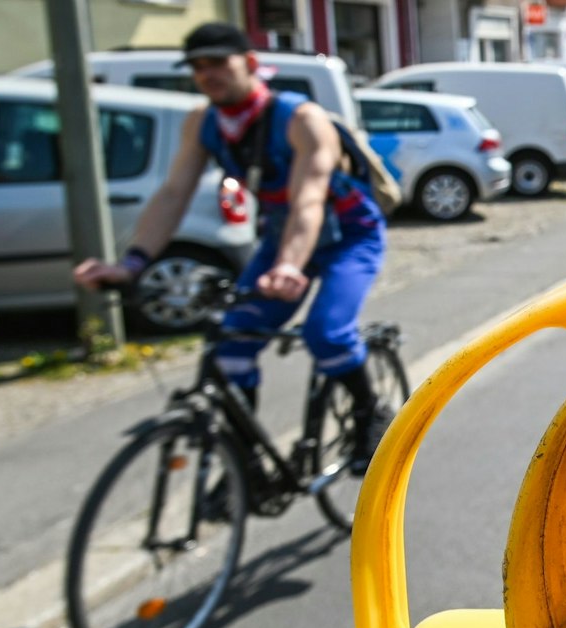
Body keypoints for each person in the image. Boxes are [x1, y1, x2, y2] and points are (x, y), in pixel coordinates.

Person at [75, 21, 390, 471]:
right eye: (198, 66)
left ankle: (369, 414)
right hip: (282, 239)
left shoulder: (301, 119)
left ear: (250, 63)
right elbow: (173, 194)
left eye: (219, 62)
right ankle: (245, 469)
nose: (208, 74)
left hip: (348, 236)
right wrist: (133, 263)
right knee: (233, 344)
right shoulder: (203, 123)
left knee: (327, 333)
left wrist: (288, 266)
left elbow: (308, 200)